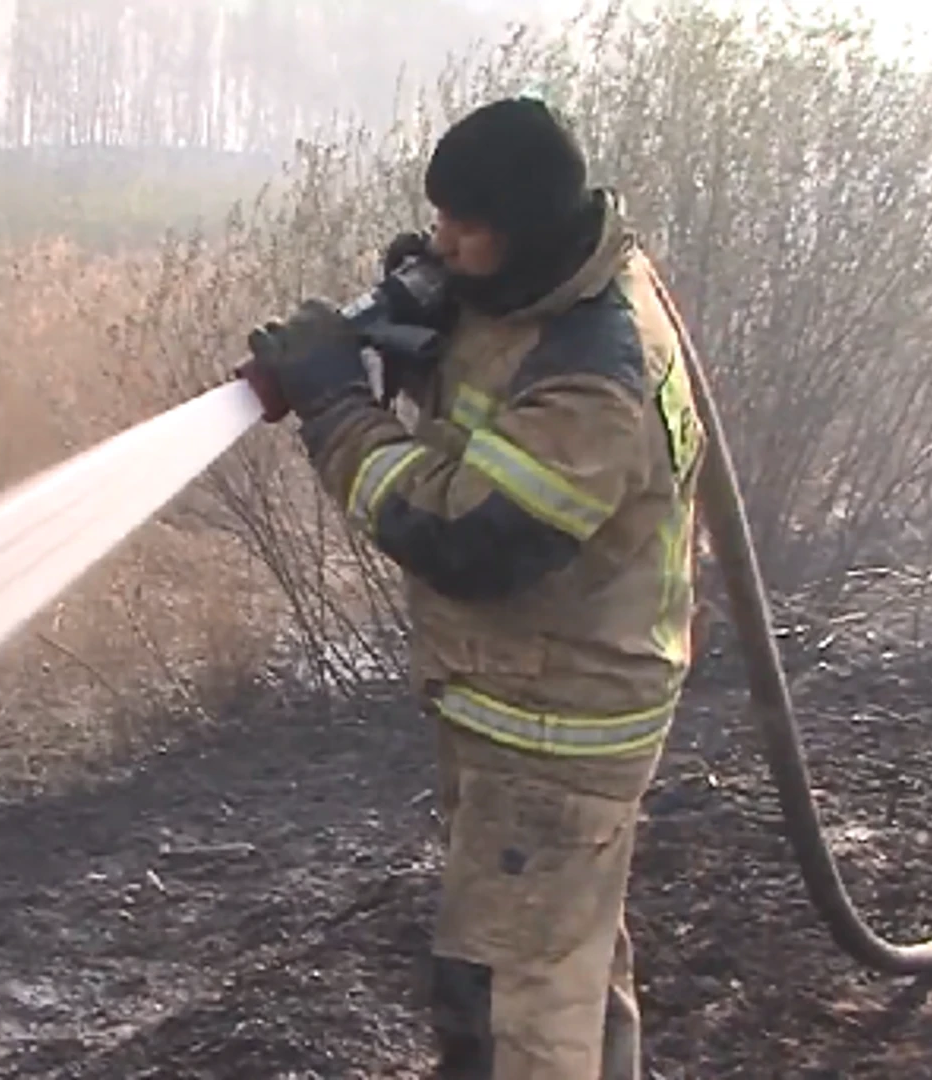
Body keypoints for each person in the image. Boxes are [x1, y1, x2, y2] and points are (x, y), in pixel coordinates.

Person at [236, 96, 707, 1080]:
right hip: (528, 704)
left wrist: (335, 405)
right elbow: (492, 407)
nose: (444, 244)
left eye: (467, 229)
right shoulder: (552, 291)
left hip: (555, 730)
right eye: (439, 222)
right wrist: (424, 333)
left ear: (527, 231)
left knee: (508, 1008)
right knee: (563, 963)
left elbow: (459, 533)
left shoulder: (597, 377)